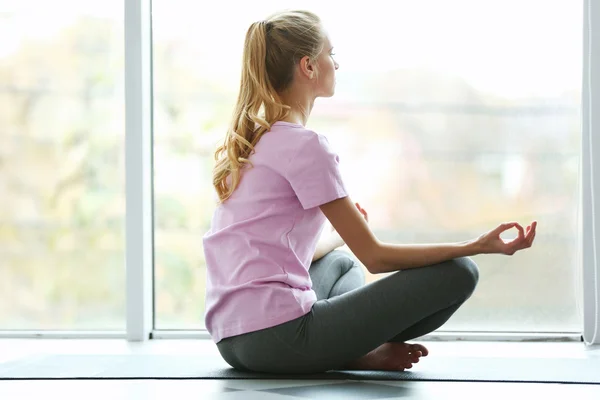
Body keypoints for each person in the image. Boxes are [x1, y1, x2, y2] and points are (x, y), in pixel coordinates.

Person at [202, 9, 537, 374]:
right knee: (461, 273)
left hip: (233, 340)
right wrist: (477, 245)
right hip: (278, 338)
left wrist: (334, 239)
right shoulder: (306, 145)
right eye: (331, 54)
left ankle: (345, 352)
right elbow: (375, 257)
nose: (336, 64)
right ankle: (349, 353)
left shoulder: (256, 141)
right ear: (308, 67)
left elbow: (283, 251)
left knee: (341, 265)